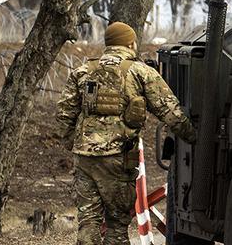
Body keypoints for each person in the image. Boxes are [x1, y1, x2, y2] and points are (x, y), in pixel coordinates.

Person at [56, 22, 196, 245]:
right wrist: (194, 137)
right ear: (131, 43)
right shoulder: (141, 72)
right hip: (118, 160)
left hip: (84, 158)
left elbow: (63, 116)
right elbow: (169, 112)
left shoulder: (82, 71)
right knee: (117, 225)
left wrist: (76, 144)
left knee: (88, 221)